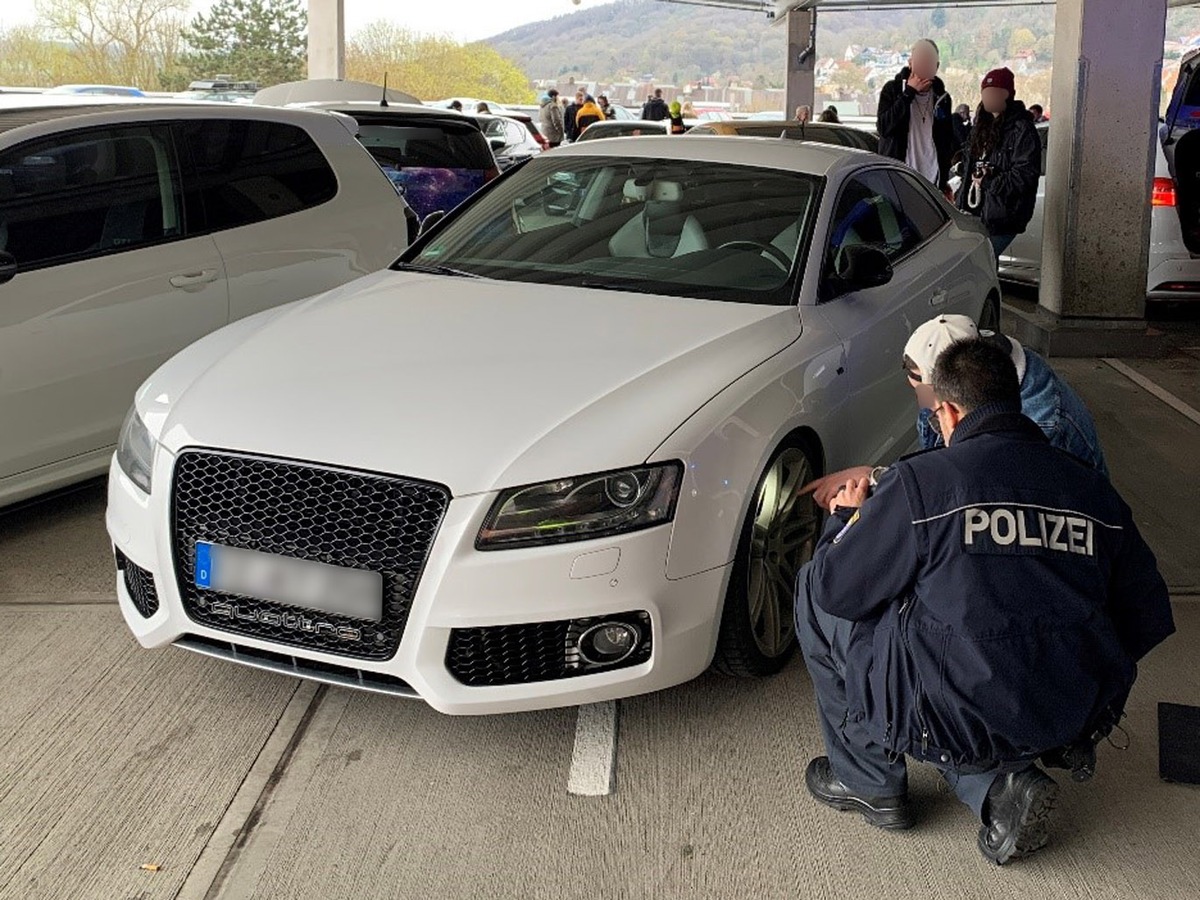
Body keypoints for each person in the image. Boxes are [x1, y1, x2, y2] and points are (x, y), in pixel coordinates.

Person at [794, 338, 1174, 865]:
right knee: (968, 671)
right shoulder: (1092, 491)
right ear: (1013, 399)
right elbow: (1146, 619)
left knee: (816, 590)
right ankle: (1002, 789)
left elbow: (839, 590)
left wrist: (845, 520)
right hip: (1068, 709)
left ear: (947, 410)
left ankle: (868, 780)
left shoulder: (923, 484)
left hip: (960, 708)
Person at [804, 313, 1109, 509]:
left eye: (928, 399)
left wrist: (862, 505)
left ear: (952, 391)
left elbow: (974, 494)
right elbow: (943, 468)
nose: (925, 408)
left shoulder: (1044, 426)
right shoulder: (981, 362)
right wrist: (877, 477)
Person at [956, 67, 1041, 264]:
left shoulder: (1022, 129)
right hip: (973, 213)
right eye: (986, 93)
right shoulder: (980, 126)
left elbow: (1025, 175)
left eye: (995, 92)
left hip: (1003, 218)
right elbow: (969, 165)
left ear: (1008, 95)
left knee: (980, 266)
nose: (989, 97)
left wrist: (989, 180)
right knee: (977, 269)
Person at [877, 39, 955, 192]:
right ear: (910, 63)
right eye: (920, 60)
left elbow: (947, 140)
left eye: (929, 61)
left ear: (936, 66)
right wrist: (908, 93)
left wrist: (944, 178)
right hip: (898, 178)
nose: (924, 66)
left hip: (933, 180)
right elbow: (884, 128)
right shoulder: (893, 90)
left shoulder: (943, 97)